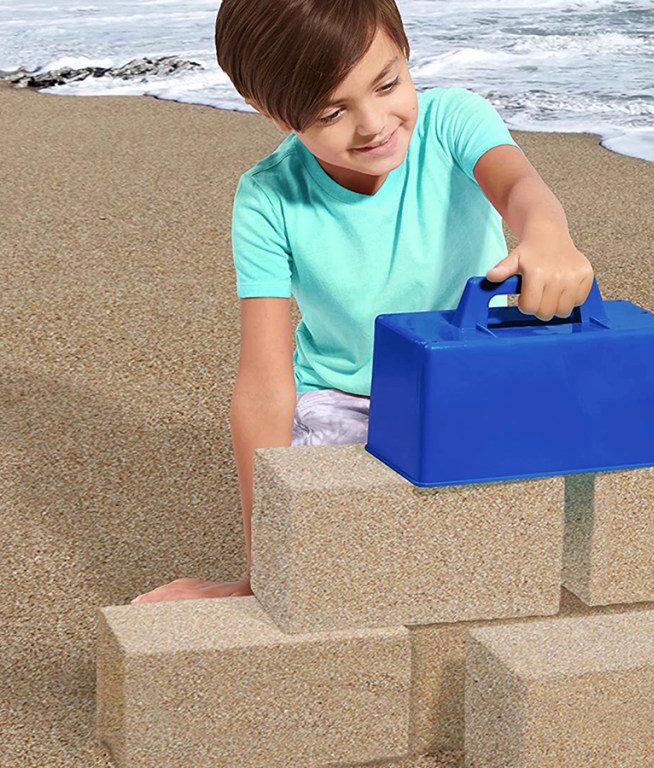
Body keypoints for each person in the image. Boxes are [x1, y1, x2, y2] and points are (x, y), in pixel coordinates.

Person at [131, 0, 594, 604]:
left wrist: (548, 234)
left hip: (472, 384)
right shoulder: (269, 198)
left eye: (388, 83)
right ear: (270, 111)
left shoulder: (453, 119)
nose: (374, 123)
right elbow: (265, 387)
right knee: (334, 565)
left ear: (406, 53)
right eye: (331, 110)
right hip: (344, 403)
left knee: (523, 526)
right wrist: (259, 575)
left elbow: (521, 189)